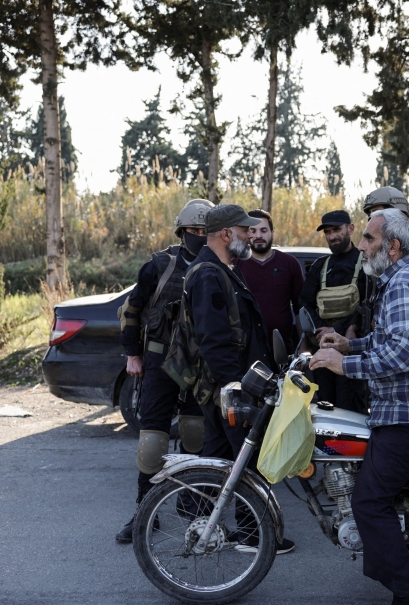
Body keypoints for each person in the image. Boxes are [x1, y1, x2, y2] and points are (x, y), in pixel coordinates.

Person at [311, 208, 409, 605]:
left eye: (369, 239)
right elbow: (391, 338)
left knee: (369, 501)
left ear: (391, 246)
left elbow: (402, 355)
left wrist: (343, 365)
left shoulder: (404, 283)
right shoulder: (400, 278)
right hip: (404, 407)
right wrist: (349, 344)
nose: (362, 246)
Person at [185, 203, 295, 554]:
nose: (250, 235)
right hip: (228, 388)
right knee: (247, 460)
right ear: (226, 234)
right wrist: (237, 391)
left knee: (217, 459)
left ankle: (203, 529)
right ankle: (251, 536)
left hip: (224, 387)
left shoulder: (223, 269)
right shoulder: (209, 275)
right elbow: (214, 341)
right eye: (245, 229)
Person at [115, 199, 211, 545]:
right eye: (194, 230)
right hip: (159, 360)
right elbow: (132, 310)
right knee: (152, 441)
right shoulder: (159, 265)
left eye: (206, 230)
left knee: (196, 435)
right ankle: (145, 511)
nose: (200, 235)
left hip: (200, 364)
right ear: (182, 231)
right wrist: (132, 354)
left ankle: (193, 504)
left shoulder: (220, 266)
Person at [299, 209, 371, 413]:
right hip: (322, 351)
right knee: (324, 407)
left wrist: (339, 329)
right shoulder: (320, 266)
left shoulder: (366, 264)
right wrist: (320, 329)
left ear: (350, 229)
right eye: (328, 232)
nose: (332, 236)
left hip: (353, 354)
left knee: (350, 409)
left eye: (337, 230)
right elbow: (304, 302)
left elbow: (368, 304)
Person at [235, 209, 304, 353]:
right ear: (247, 234)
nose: (258, 235)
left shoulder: (290, 264)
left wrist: (304, 347)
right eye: (253, 230)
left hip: (283, 350)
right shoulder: (235, 265)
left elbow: (300, 309)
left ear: (272, 233)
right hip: (246, 350)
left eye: (264, 230)